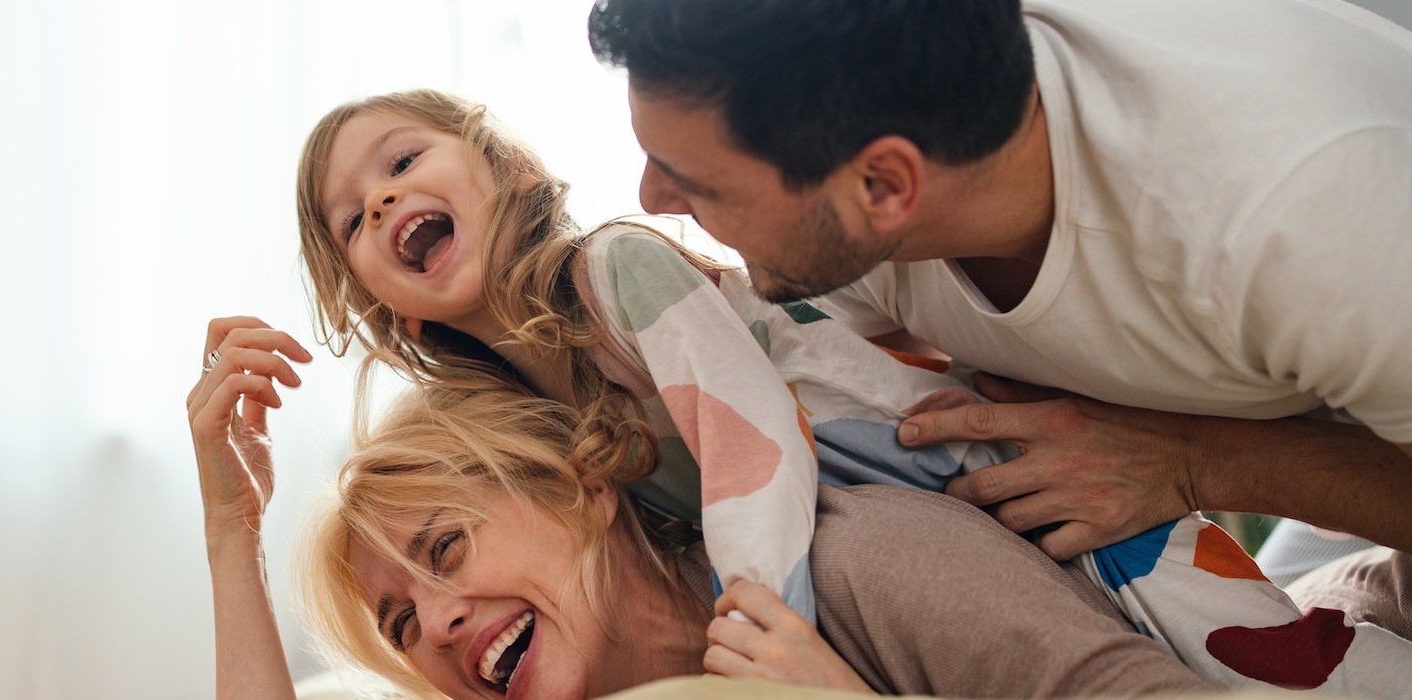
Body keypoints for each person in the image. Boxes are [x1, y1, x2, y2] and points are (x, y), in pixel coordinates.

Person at [291, 88, 1412, 692]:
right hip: (885, 494)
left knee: (1235, 636)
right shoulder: (534, 410)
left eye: (403, 162)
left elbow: (752, 444)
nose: (383, 201)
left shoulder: (615, 271)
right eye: (351, 219)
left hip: (945, 445)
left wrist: (756, 628)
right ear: (388, 307)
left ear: (509, 170)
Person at [588, 0, 1412, 632]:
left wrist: (1195, 460)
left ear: (884, 187)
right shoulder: (866, 195)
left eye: (696, 181)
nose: (651, 201)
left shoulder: (1303, 216)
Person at [187, 337, 1222, 697]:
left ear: (584, 487)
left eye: (446, 547)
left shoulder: (861, 563)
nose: (440, 622)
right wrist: (233, 535)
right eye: (401, 624)